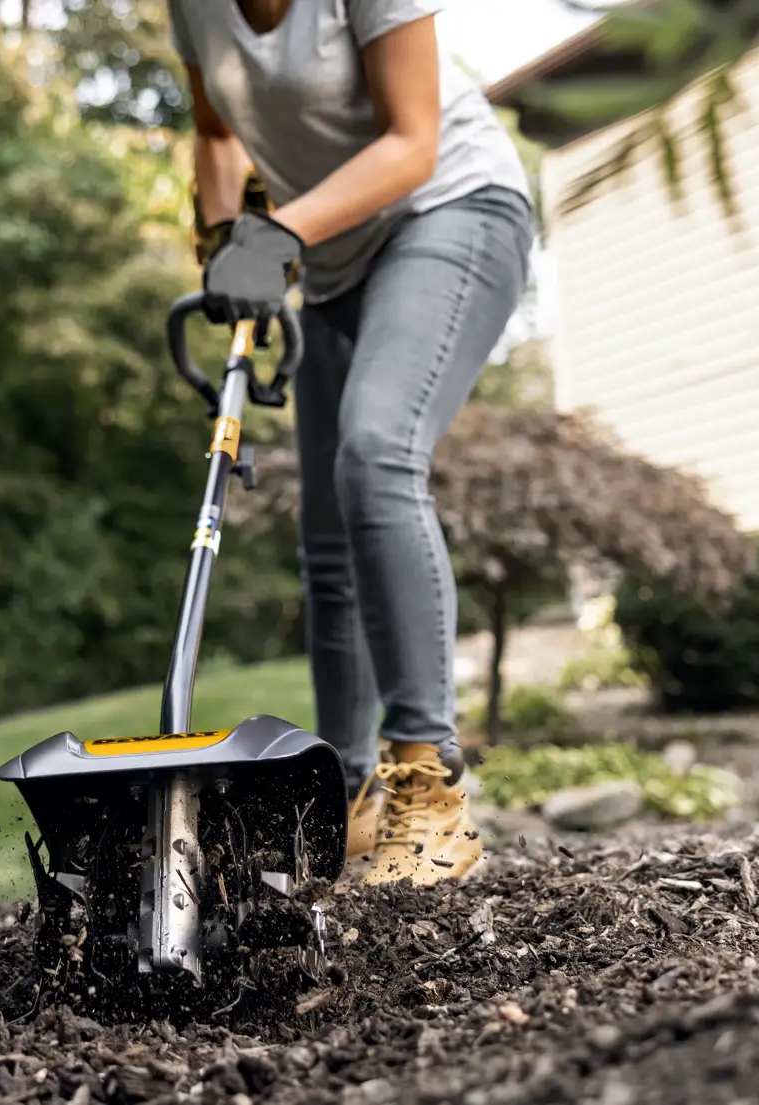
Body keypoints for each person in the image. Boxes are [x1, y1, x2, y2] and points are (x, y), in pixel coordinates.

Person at [169, 0, 534, 886]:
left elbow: (412, 142)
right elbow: (217, 137)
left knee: (376, 454)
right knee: (327, 539)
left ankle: (429, 788)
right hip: (335, 260)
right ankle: (349, 794)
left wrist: (278, 232)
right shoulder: (194, 8)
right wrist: (226, 243)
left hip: (451, 209)